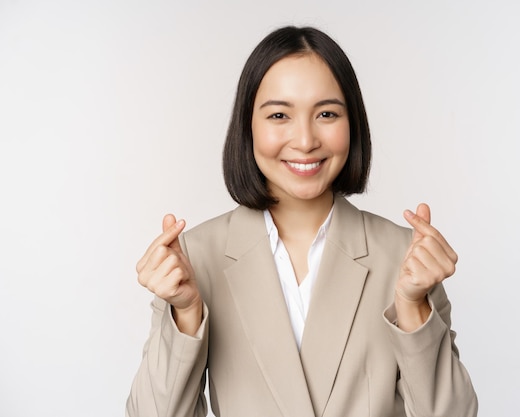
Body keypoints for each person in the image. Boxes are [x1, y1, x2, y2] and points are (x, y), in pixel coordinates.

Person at [126, 26, 478, 417]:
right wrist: (186, 314)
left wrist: (413, 310)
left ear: (353, 124)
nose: (306, 139)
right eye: (279, 115)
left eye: (326, 113)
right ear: (248, 127)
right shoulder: (196, 257)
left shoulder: (404, 255)